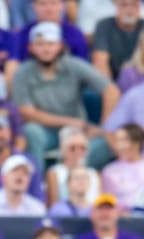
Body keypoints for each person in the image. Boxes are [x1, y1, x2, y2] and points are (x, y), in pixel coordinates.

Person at [13, 22, 120, 171]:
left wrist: (103, 127)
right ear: (31, 47)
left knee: (106, 142)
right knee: (31, 131)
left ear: (60, 46)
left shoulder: (73, 65)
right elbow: (27, 112)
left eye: (51, 44)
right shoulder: (23, 72)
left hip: (77, 133)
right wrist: (73, 122)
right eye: (40, 44)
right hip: (47, 131)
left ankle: (80, 182)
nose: (46, 49)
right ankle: (38, 185)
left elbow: (111, 90)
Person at [102, 123, 144, 212]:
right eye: (117, 141)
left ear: (137, 143)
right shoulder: (110, 171)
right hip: (124, 218)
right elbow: (108, 201)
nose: (119, 146)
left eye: (123, 140)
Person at [44, 127, 101, 207]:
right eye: (72, 148)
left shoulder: (94, 173)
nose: (78, 152)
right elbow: (54, 205)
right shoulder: (55, 173)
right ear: (63, 149)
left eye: (82, 148)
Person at [91, 0, 144, 81]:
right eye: (124, 5)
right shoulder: (104, 26)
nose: (129, 10)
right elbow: (100, 62)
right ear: (116, 7)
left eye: (134, 5)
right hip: (112, 82)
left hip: (142, 83)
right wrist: (111, 89)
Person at [75, 193, 144, 239]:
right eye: (100, 209)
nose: (105, 214)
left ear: (117, 214)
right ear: (92, 215)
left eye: (109, 209)